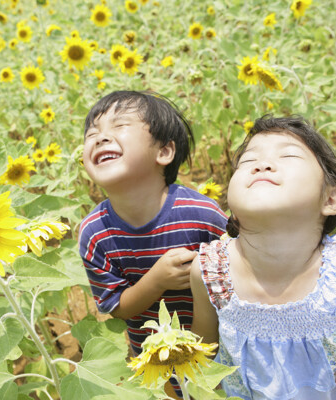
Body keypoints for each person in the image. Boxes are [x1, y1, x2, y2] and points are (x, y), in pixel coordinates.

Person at [190, 115, 336, 399]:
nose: (262, 165)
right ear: (231, 204)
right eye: (248, 162)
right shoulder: (210, 272)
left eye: (288, 155)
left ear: (331, 199)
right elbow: (201, 359)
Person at [78, 90, 228, 395]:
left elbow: (239, 275)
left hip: (220, 354)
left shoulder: (202, 215)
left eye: (119, 127)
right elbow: (117, 307)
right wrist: (156, 280)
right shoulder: (94, 233)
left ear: (164, 152)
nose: (101, 138)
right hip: (153, 361)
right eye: (92, 133)